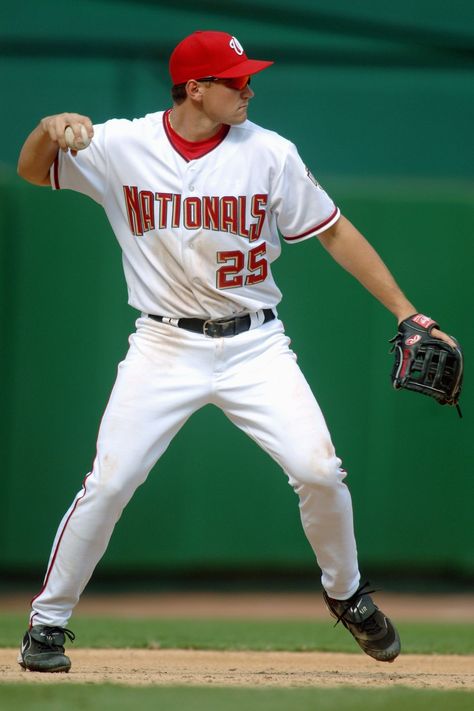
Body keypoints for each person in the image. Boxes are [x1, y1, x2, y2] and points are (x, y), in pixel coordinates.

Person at [16, 30, 455, 673]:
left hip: (256, 346)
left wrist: (407, 310)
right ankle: (47, 624)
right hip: (163, 344)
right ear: (196, 88)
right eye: (235, 79)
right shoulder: (120, 144)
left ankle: (347, 594)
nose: (249, 87)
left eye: (247, 76)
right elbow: (33, 169)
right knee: (109, 483)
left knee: (319, 471)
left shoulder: (270, 153)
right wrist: (47, 129)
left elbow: (332, 231)